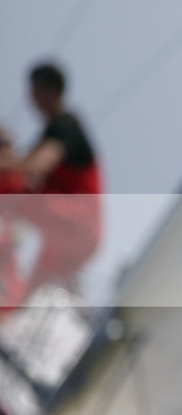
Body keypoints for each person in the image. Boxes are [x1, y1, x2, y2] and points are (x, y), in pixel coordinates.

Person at [0, 63, 104, 308]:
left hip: (74, 220)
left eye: (35, 90)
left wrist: (5, 161)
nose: (31, 97)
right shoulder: (59, 129)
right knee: (25, 298)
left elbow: (38, 164)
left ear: (50, 91)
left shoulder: (64, 127)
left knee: (10, 190)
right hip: (78, 236)